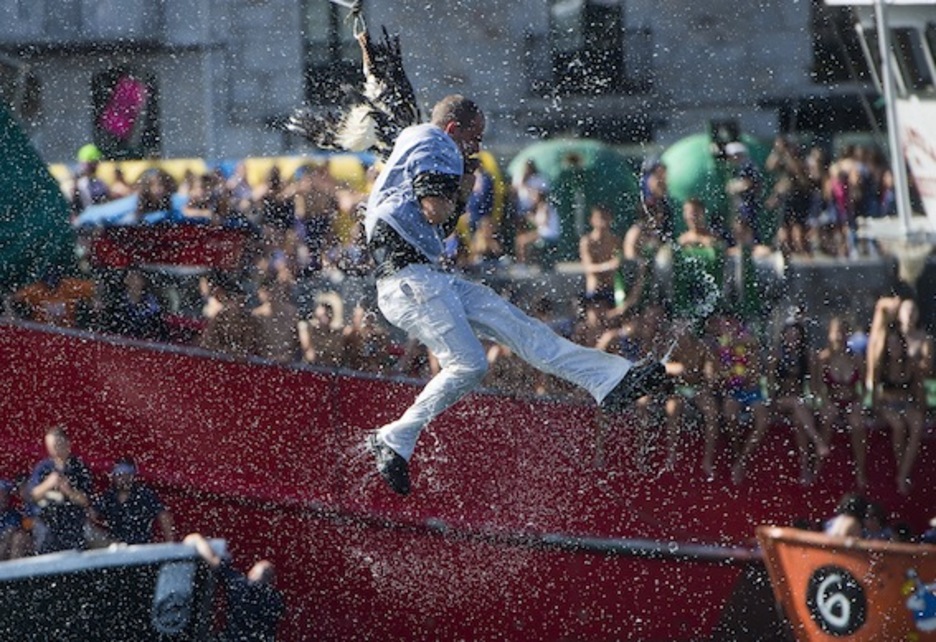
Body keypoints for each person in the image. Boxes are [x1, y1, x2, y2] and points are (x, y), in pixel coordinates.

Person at [363, 95, 668, 495]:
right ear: (454, 130)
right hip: (409, 282)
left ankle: (610, 381)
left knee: (522, 330)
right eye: (475, 139)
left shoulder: (415, 140)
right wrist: (461, 190)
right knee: (469, 365)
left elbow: (433, 222)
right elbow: (436, 211)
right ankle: (396, 437)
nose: (478, 148)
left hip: (426, 278)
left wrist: (459, 190)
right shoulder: (437, 142)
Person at [184, 533, 284, 642]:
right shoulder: (275, 600)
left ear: (252, 573)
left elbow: (214, 561)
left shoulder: (240, 586)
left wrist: (197, 540)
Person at [813, 316, 869, 490]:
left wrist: (860, 401)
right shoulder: (823, 359)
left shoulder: (856, 358)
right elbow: (816, 386)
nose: (840, 336)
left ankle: (860, 469)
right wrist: (825, 401)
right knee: (827, 420)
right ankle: (817, 466)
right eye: (837, 332)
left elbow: (866, 385)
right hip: (832, 400)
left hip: (851, 400)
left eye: (844, 332)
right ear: (829, 334)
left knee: (857, 424)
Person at [27, 426, 93, 554]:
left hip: (72, 523)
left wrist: (68, 491)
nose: (54, 450)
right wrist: (48, 484)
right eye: (50, 446)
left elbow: (86, 501)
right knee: (45, 558)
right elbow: (32, 495)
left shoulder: (79, 468)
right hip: (47, 523)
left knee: (73, 559)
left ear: (67, 443)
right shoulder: (43, 467)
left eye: (57, 445)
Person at [92, 457, 174, 545]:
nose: (123, 479)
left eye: (126, 475)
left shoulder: (143, 494)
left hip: (141, 545)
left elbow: (163, 515)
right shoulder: (108, 497)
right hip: (117, 547)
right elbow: (90, 516)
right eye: (119, 475)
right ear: (113, 477)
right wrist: (103, 538)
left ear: (133, 476)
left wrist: (170, 543)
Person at [578, 204, 621, 306]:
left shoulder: (615, 240)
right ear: (591, 220)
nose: (602, 221)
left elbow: (618, 263)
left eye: (605, 217)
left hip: (612, 288)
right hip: (594, 289)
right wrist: (607, 266)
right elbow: (588, 267)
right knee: (593, 318)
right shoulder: (587, 241)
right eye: (599, 217)